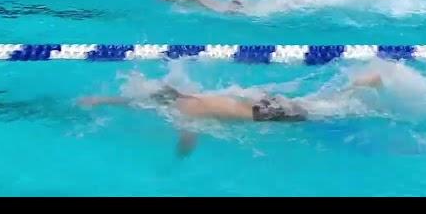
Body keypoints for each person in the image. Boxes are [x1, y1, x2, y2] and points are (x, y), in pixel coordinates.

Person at [78, 68, 384, 156]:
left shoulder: (185, 110)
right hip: (259, 102)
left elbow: (187, 141)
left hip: (263, 113)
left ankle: (363, 83)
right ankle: (358, 85)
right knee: (317, 104)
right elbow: (139, 101)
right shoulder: (191, 96)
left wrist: (178, 158)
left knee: (332, 112)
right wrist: (104, 100)